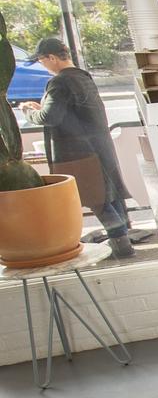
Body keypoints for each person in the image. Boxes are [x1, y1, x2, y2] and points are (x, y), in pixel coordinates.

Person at [19, 37, 134, 259]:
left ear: (51, 58)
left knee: (96, 198)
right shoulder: (82, 76)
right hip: (98, 144)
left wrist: (28, 111)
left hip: (78, 151)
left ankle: (121, 243)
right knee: (107, 195)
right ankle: (123, 240)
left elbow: (49, 116)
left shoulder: (60, 82)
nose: (43, 65)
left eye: (42, 61)